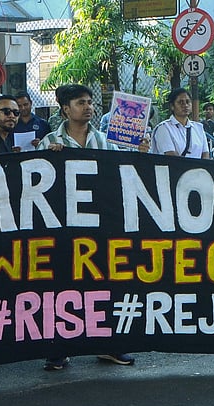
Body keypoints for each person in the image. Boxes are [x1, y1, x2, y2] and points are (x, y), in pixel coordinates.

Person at [36, 84, 138, 370]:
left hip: (99, 226)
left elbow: (124, 171)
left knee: (103, 284)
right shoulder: (49, 142)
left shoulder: (105, 141)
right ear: (65, 109)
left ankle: (108, 345)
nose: (88, 107)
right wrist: (49, 160)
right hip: (62, 227)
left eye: (90, 102)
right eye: (81, 102)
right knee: (61, 286)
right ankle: (58, 347)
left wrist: (140, 153)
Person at [150, 88, 209, 159]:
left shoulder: (199, 128)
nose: (185, 105)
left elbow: (205, 155)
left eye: (187, 102)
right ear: (172, 106)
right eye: (180, 102)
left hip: (199, 166)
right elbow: (171, 156)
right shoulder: (163, 128)